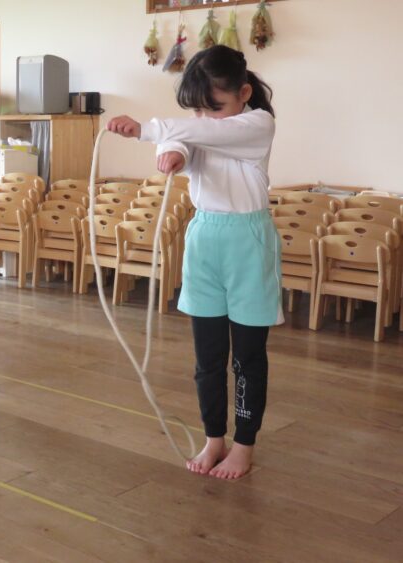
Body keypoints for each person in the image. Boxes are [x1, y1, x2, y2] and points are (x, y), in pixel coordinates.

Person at [107, 45, 281, 479]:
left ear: (244, 93)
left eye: (214, 107)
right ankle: (213, 438)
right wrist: (174, 153)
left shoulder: (257, 124)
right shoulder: (204, 126)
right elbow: (186, 139)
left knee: (247, 358)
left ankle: (244, 444)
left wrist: (147, 130)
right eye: (198, 110)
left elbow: (201, 133)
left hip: (248, 242)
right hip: (204, 239)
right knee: (208, 358)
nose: (205, 118)